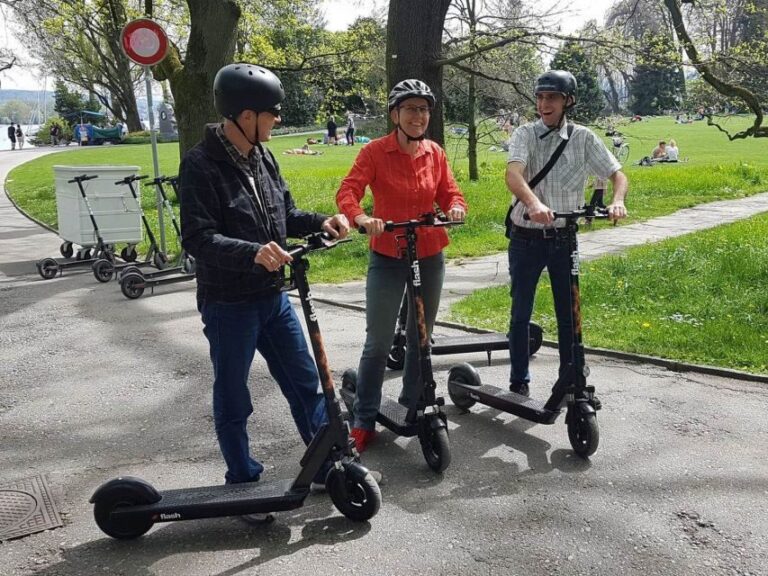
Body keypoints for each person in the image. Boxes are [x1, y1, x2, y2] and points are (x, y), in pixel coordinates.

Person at [179, 63, 351, 504]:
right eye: (271, 113)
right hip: (228, 302)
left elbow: (285, 216)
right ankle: (242, 480)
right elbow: (198, 237)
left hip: (273, 297)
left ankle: (325, 466)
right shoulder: (200, 165)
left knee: (306, 382)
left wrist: (322, 221)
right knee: (234, 396)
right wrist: (250, 251)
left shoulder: (264, 157)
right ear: (244, 115)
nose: (277, 120)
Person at [336, 79, 468, 453]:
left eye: (424, 109)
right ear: (395, 114)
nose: (418, 116)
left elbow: (450, 192)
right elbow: (348, 191)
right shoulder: (375, 153)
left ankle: (413, 403)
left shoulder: (435, 152)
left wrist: (456, 206)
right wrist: (361, 217)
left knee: (420, 336)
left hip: (428, 252)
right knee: (378, 341)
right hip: (388, 255)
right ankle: (364, 417)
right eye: (410, 109)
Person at [505, 70, 628, 399]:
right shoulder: (525, 134)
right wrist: (533, 203)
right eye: (540, 97)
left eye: (552, 98)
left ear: (567, 101)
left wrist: (617, 201)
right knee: (521, 312)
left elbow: (618, 175)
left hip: (564, 239)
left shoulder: (583, 137)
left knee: (569, 313)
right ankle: (519, 380)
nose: (544, 103)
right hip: (526, 237)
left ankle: (570, 381)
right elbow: (514, 175)